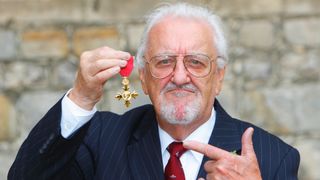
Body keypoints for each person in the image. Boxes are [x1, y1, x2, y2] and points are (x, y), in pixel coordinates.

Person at [8, 3, 300, 180]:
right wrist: (82, 97)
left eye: (196, 62)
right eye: (164, 62)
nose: (180, 76)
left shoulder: (271, 158)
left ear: (219, 77)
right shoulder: (100, 140)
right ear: (144, 77)